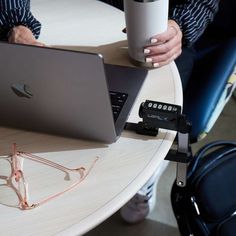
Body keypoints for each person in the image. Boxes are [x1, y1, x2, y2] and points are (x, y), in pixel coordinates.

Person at [1, 0, 220, 224]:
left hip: (160, 33)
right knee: (45, 108)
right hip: (86, 15)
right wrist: (15, 23)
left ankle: (145, 179)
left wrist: (179, 26)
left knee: (136, 133)